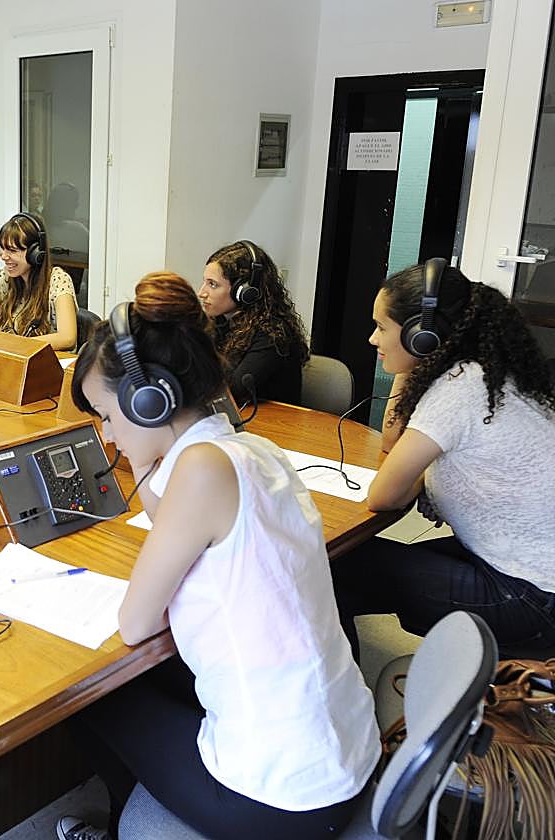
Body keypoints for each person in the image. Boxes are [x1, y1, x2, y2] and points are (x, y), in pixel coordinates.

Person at [57, 272, 378, 840]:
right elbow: (168, 513)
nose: (106, 435)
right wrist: (143, 449)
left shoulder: (202, 470)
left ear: (149, 401)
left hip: (279, 801)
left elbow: (135, 624)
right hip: (345, 755)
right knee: (159, 678)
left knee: (88, 699)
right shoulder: (250, 449)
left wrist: (142, 448)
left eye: (107, 415)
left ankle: (127, 828)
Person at [331, 259, 555, 661]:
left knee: (331, 569)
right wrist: (413, 364)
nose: (372, 339)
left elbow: (383, 496)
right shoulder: (482, 373)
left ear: (423, 336)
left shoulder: (461, 388)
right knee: (352, 565)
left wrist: (421, 479)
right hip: (526, 573)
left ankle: (340, 692)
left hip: (530, 595)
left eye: (381, 327)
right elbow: (392, 441)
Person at [198, 241, 309, 405]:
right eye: (205, 282)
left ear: (243, 291)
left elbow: (232, 391)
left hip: (272, 419)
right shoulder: (220, 323)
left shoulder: (272, 334)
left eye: (212, 284)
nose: (201, 293)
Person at [0, 212, 77, 350]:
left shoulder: (58, 280)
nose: (3, 256)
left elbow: (68, 338)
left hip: (40, 360)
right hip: (10, 357)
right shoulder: (5, 277)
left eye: (12, 250)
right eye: (2, 248)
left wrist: (14, 346)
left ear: (35, 253)